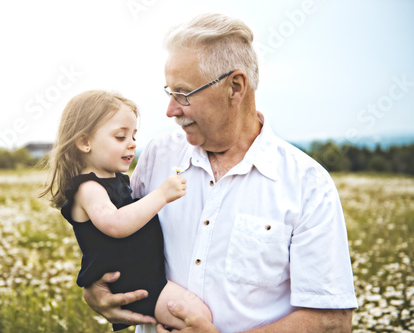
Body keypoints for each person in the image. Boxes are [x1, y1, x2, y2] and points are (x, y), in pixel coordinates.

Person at [83, 13, 358, 333]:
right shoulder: (157, 156)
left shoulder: (308, 185)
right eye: (169, 92)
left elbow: (332, 321)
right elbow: (118, 243)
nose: (170, 110)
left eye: (183, 93)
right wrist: (96, 287)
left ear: (235, 86)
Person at [39, 90, 212, 331]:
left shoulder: (116, 180)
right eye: (120, 137)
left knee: (199, 314)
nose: (132, 144)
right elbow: (115, 224)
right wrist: (161, 195)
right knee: (197, 315)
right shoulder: (88, 187)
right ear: (84, 142)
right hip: (135, 282)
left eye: (133, 135)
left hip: (148, 276)